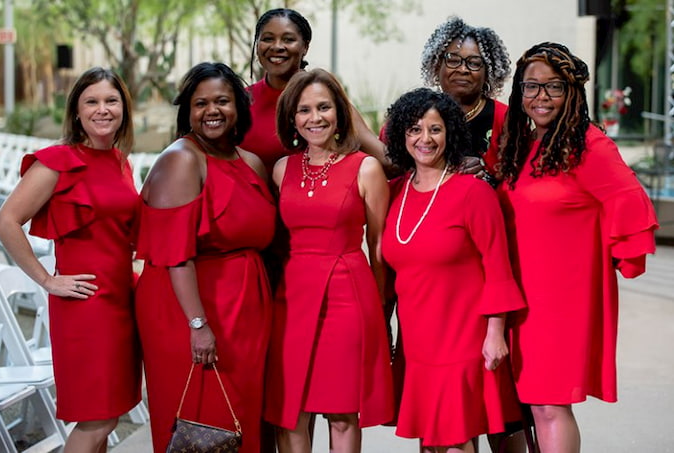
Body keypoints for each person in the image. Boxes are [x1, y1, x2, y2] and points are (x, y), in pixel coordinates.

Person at [497, 42, 659, 453]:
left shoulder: (588, 145)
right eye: (531, 87)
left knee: (550, 406)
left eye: (553, 87)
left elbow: (630, 201)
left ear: (573, 92)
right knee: (533, 404)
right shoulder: (523, 144)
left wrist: (618, 257)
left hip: (560, 300)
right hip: (521, 295)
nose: (541, 98)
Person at [0, 67, 142, 453]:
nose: (102, 109)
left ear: (123, 108)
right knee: (98, 418)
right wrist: (47, 280)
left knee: (109, 415)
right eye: (91, 101)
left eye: (111, 101)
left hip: (122, 301)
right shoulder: (58, 161)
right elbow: (5, 222)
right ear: (76, 111)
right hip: (86, 305)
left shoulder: (121, 162)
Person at [134, 62, 276, 453]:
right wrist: (198, 325)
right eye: (200, 104)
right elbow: (175, 255)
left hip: (245, 308)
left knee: (241, 415)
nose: (211, 111)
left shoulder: (249, 162)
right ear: (188, 112)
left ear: (239, 108)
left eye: (222, 101)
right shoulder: (182, 160)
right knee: (201, 418)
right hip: (189, 307)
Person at [381, 87, 526, 453]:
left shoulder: (472, 193)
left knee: (457, 438)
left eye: (435, 129)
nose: (424, 139)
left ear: (450, 134)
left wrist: (495, 334)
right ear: (401, 135)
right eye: (414, 129)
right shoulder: (395, 192)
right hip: (415, 339)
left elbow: (498, 268)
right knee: (431, 441)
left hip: (464, 337)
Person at [264, 68, 393, 453]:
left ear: (339, 112)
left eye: (323, 107)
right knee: (291, 410)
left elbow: (379, 247)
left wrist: (382, 310)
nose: (314, 118)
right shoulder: (281, 169)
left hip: (348, 298)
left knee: (341, 412)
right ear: (292, 116)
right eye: (304, 110)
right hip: (292, 298)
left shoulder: (365, 168)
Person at [240, 7, 387, 174]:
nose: (277, 46)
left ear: (305, 47)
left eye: (288, 39)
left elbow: (384, 159)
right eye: (267, 39)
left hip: (314, 198)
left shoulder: (326, 99)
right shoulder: (240, 101)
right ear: (257, 45)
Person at [420, 16, 511, 184]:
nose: (463, 69)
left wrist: (484, 170)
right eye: (453, 60)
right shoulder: (416, 114)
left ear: (489, 72)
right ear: (436, 65)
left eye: (474, 63)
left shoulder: (506, 118)